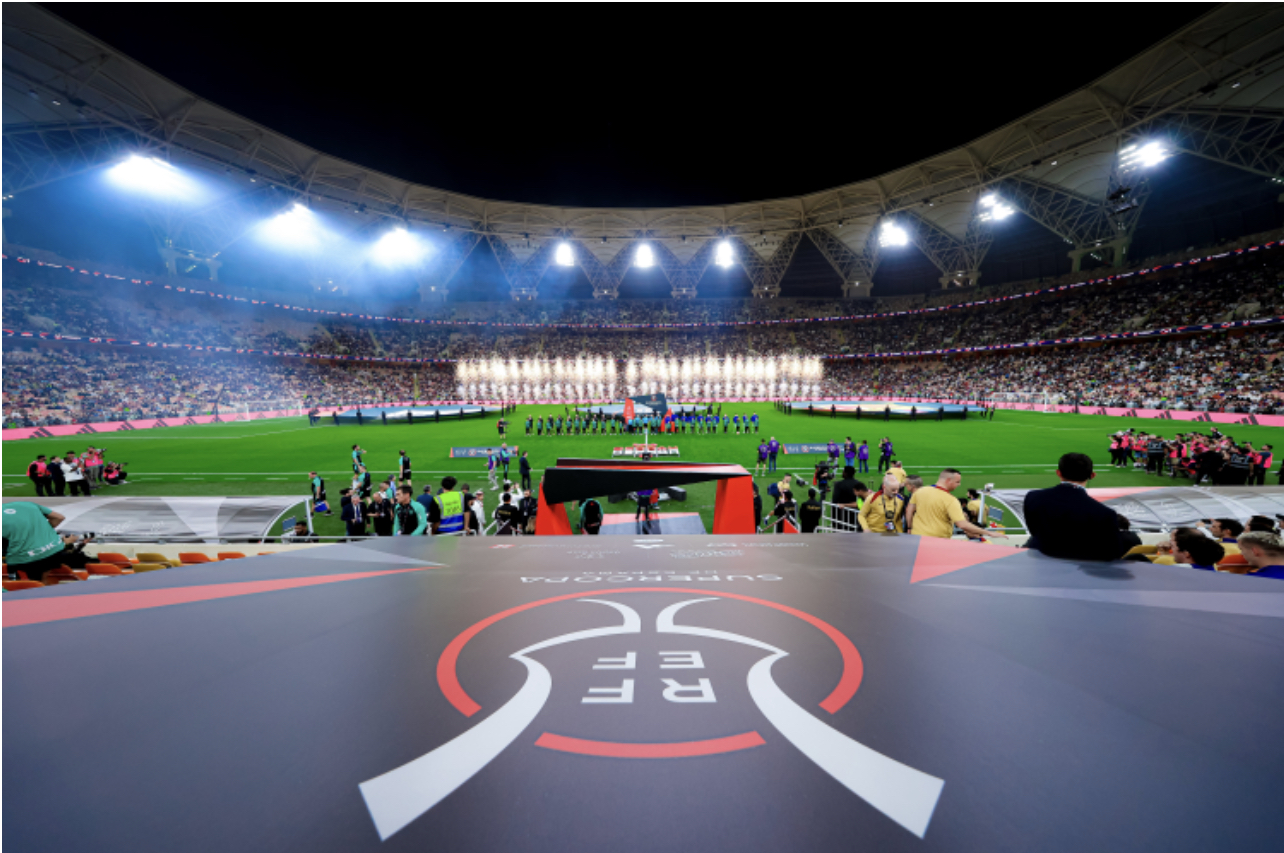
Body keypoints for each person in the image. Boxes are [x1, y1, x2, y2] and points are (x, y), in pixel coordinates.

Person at [1022, 453, 1126, 560]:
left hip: (1040, 560)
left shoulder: (1033, 497)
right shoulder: (1105, 514)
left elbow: (1034, 530)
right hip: (1080, 565)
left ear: (1058, 473)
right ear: (1092, 475)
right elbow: (1113, 553)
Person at [906, 469, 1007, 540]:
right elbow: (962, 524)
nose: (959, 484)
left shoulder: (920, 491)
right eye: (957, 482)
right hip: (938, 541)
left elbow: (909, 510)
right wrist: (989, 533)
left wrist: (909, 528)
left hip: (917, 537)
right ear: (948, 481)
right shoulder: (951, 500)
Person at [1, 501, 68, 582]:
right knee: (41, 580)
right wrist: (41, 532)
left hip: (24, 558)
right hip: (54, 549)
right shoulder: (27, 504)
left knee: (19, 586)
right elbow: (59, 517)